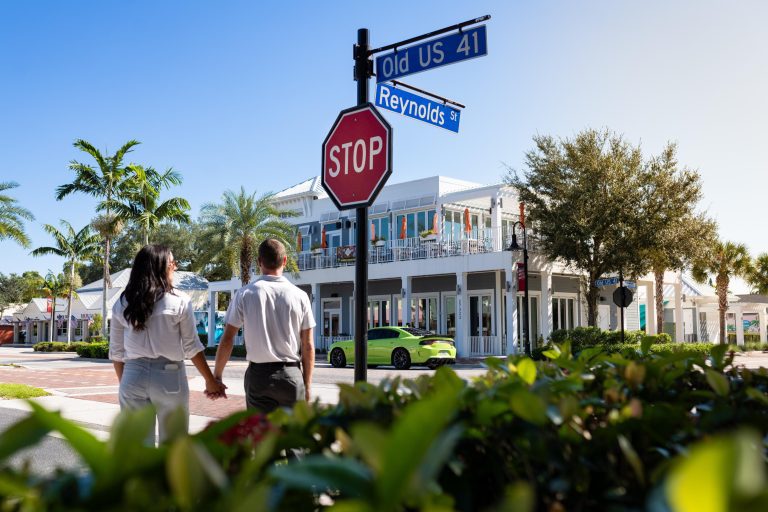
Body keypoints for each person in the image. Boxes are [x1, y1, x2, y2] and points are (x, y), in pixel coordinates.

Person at [110, 244, 225, 443]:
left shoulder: (122, 303)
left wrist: (127, 382)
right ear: (163, 267)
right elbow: (192, 347)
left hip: (132, 374)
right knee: (174, 448)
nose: (175, 268)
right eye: (173, 263)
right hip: (170, 376)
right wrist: (210, 380)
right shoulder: (179, 300)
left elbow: (117, 353)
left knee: (137, 449)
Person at [212, 238, 315, 412]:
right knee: (293, 435)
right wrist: (307, 385)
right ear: (285, 261)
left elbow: (227, 339)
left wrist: (217, 376)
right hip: (291, 375)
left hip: (258, 377)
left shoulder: (245, 294)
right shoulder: (300, 296)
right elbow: (308, 345)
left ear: (259, 262)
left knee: (260, 435)